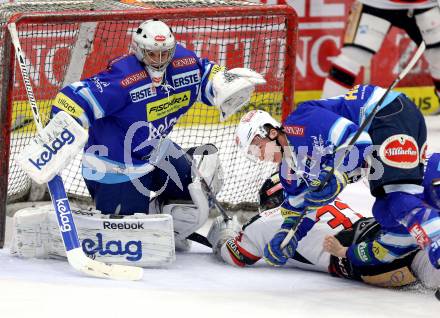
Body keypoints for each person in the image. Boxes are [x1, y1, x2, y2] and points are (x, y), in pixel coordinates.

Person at [50, 19, 265, 248]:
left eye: (165, 53)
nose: (160, 60)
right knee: (128, 238)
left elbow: (207, 74)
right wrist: (58, 131)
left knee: (199, 185)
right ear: (139, 51)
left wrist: (223, 83)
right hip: (115, 165)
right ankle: (139, 217)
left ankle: (166, 224)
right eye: (153, 54)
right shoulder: (122, 78)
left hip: (155, 149)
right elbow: (72, 98)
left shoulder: (183, 63)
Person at [234, 84, 440, 271]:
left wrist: (338, 173)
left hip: (387, 114)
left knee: (397, 198)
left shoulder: (300, 122)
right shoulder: (288, 172)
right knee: (387, 211)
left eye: (256, 147)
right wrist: (288, 236)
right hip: (381, 134)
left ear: (269, 132)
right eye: (253, 154)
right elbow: (301, 208)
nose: (259, 156)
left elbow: (359, 140)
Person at [207, 155, 440, 289]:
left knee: (421, 266)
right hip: (373, 229)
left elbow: (237, 256)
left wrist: (222, 234)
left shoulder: (266, 221)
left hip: (357, 253)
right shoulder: (324, 199)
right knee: (423, 246)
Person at [321, 0, 440, 105]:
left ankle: (325, 112)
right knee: (353, 56)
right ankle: (325, 113)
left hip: (426, 4)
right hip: (376, 3)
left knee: (439, 57)